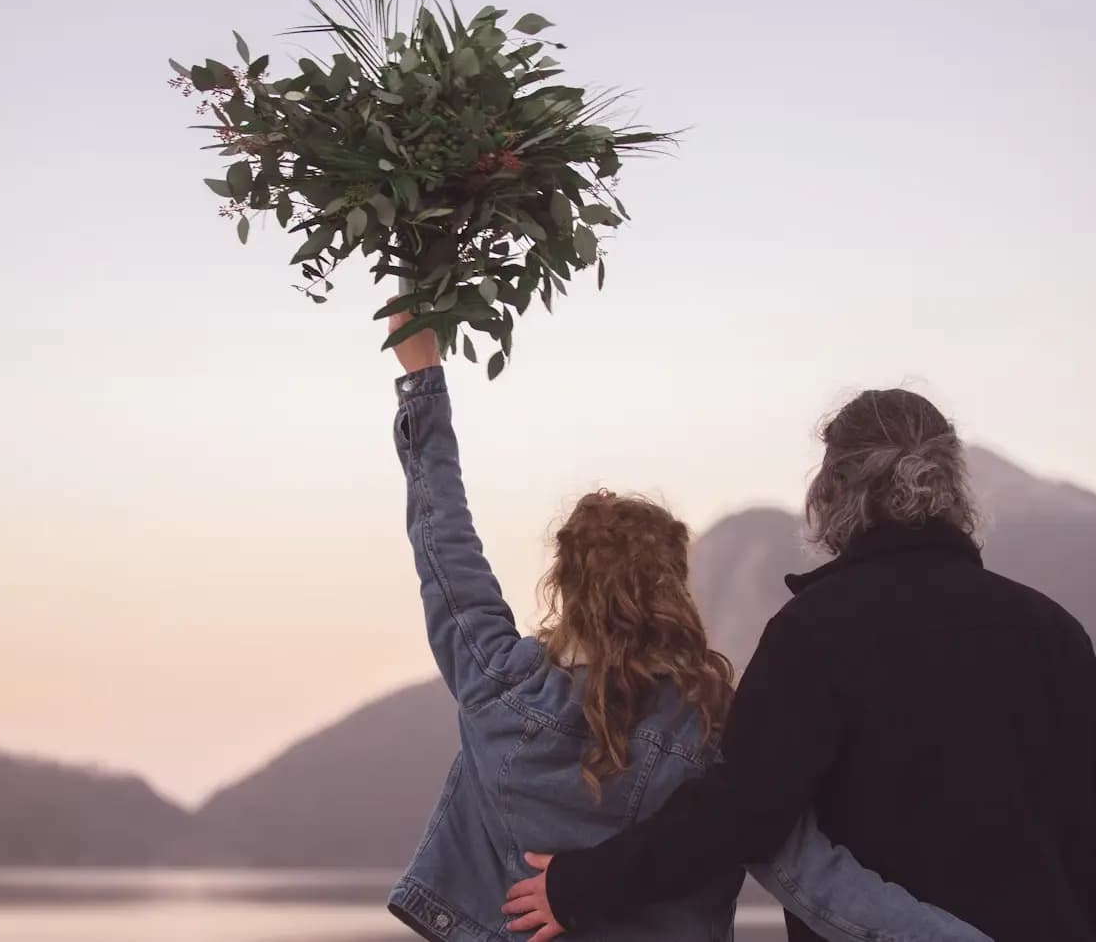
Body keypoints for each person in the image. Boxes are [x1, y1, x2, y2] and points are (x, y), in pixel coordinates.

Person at [385, 315, 988, 942]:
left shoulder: (499, 686)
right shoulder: (715, 733)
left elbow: (442, 539)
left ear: (565, 588)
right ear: (674, 591)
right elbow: (822, 883)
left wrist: (422, 379)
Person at [503, 388, 1096, 942]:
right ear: (953, 490)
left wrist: (581, 887)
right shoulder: (1055, 633)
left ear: (834, 492)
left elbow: (743, 812)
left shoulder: (817, 632)